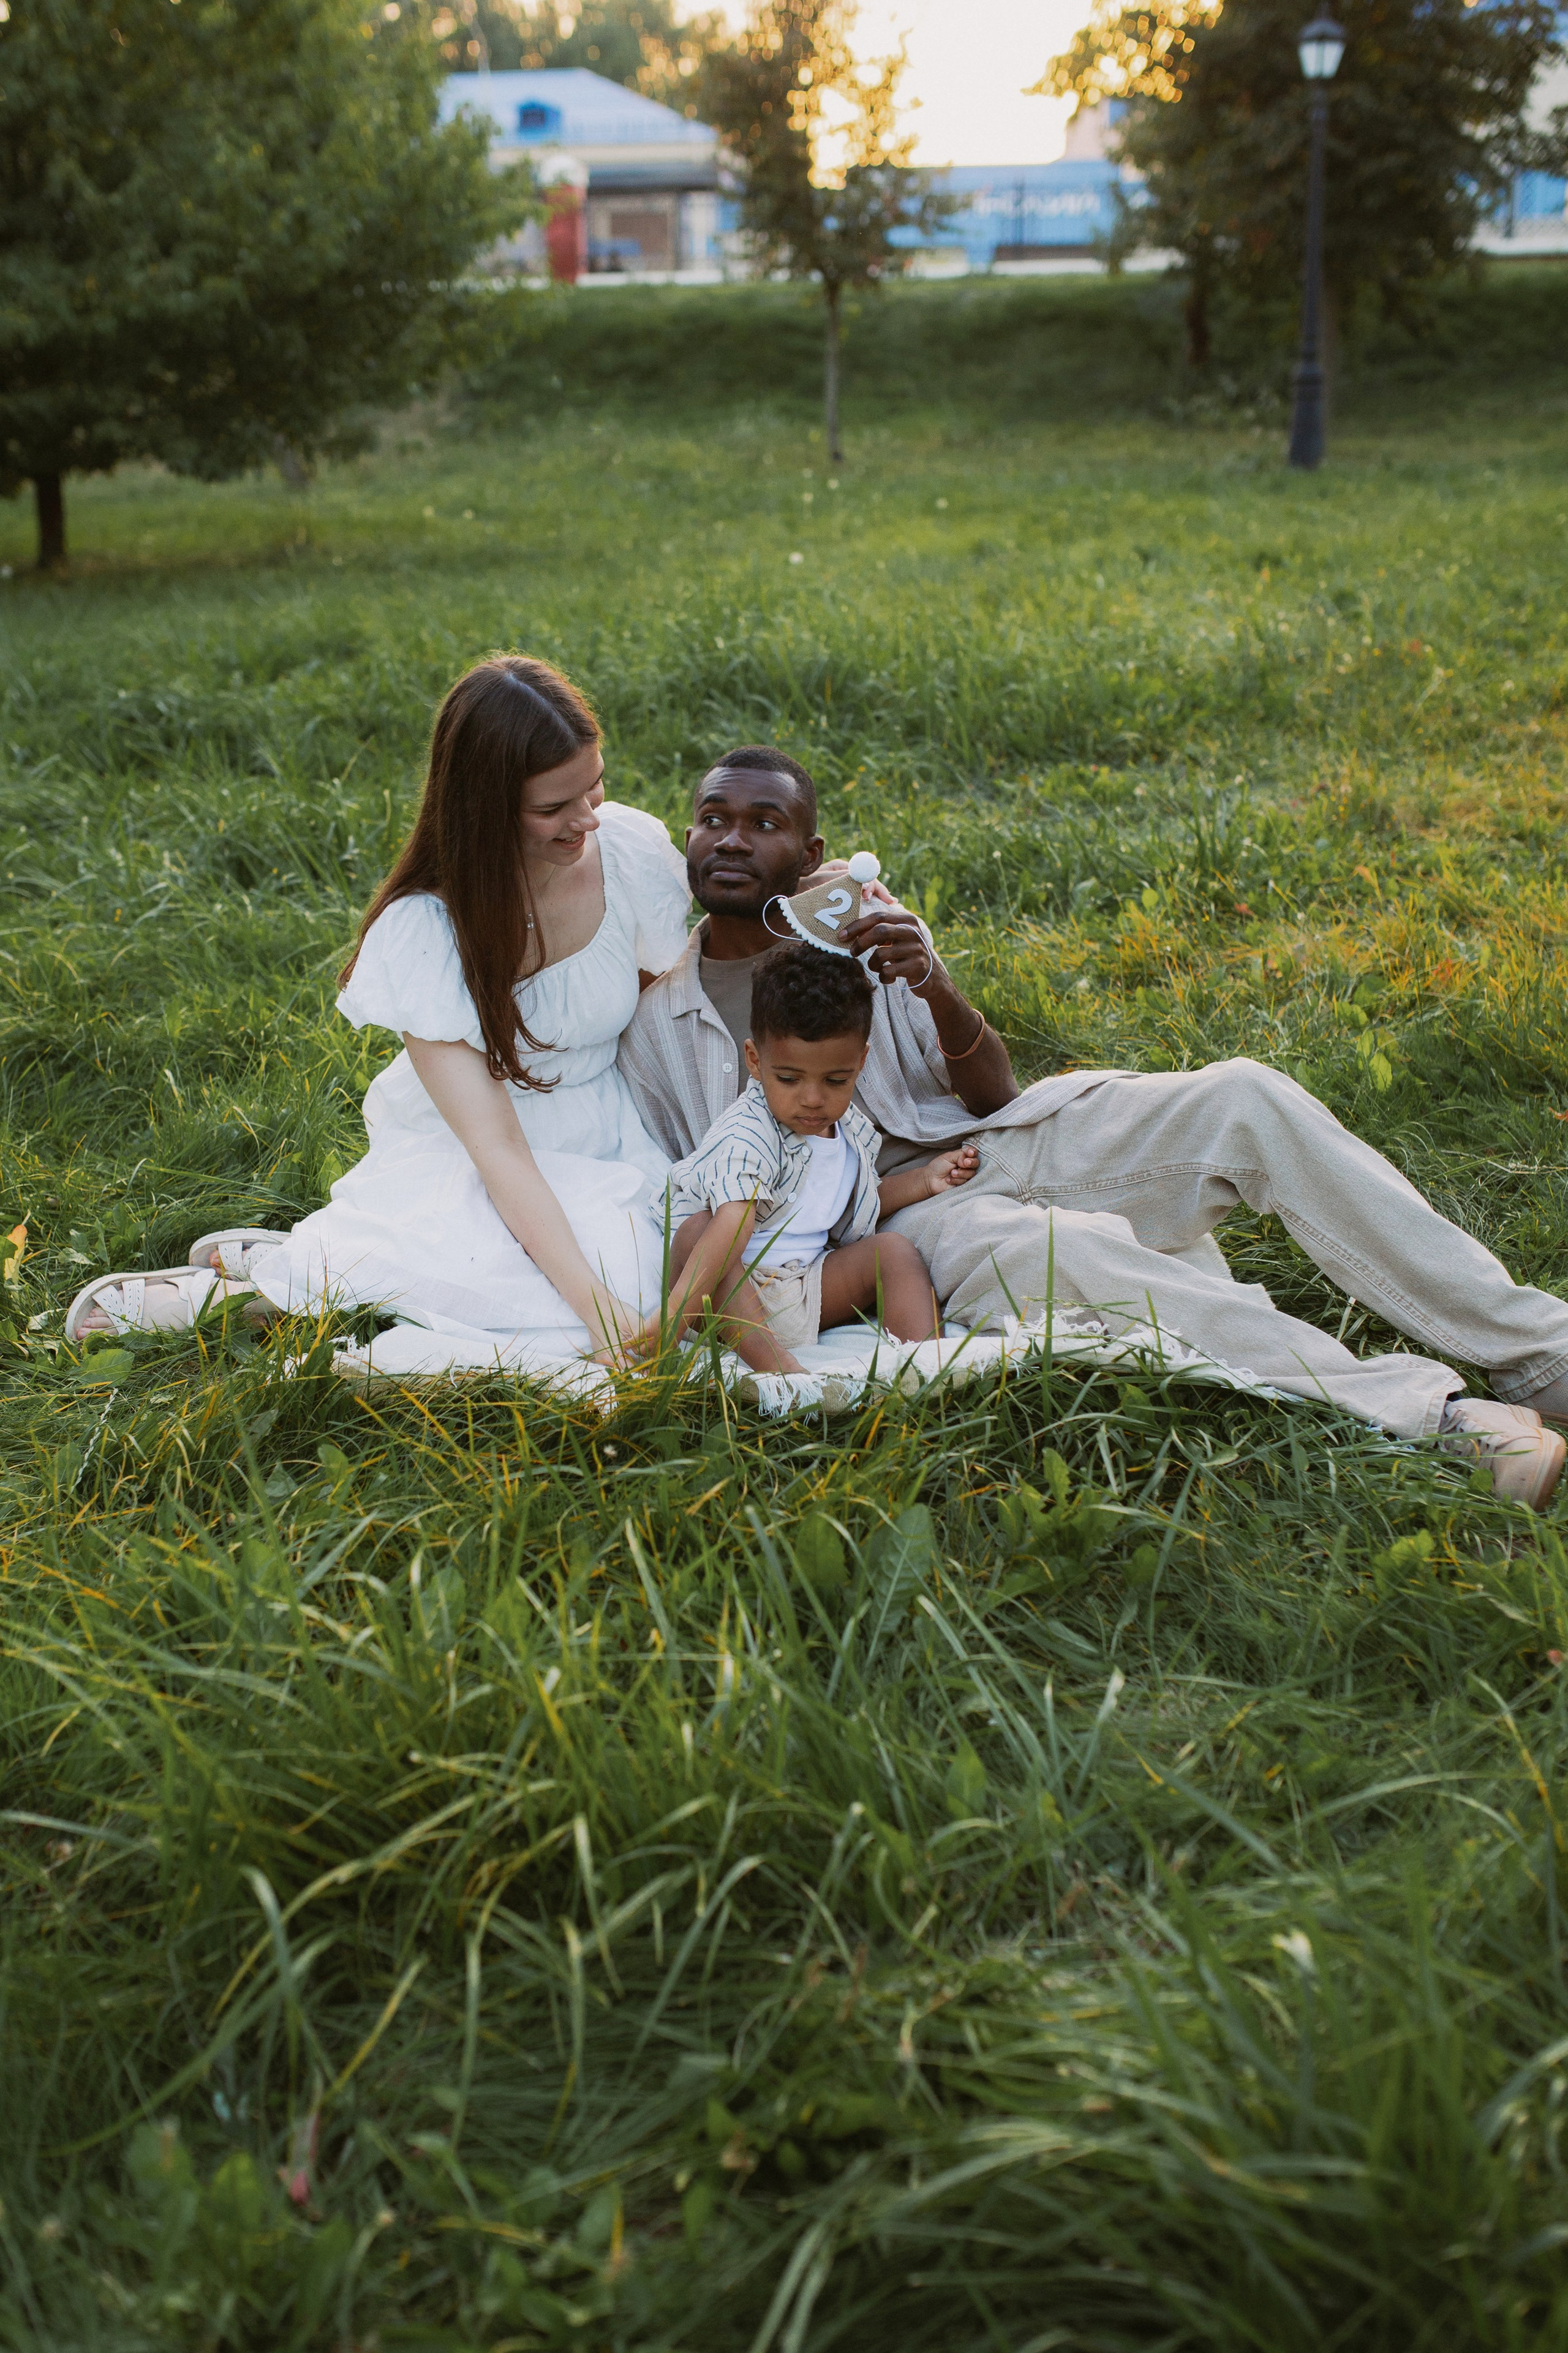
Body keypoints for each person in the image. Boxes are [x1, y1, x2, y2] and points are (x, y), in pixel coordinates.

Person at [618, 743, 1568, 1506]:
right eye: (713, 819)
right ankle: (1444, 1421)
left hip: (998, 1139)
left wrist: (933, 982)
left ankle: (1539, 1356)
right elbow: (703, 1198)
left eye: (763, 821)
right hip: (893, 1224)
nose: (731, 839)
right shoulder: (662, 1021)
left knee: (1245, 1093)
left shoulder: (861, 928)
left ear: (812, 850)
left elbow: (993, 1094)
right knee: (1056, 1254)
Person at [70, 656, 692, 1361]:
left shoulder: (628, 848)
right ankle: (250, 1294)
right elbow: (498, 1149)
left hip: (608, 1131)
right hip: (473, 1149)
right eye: (553, 808)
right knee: (564, 1300)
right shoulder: (427, 929)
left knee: (650, 1279)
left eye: (594, 786)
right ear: (483, 806)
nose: (586, 819)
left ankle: (354, 1256)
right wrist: (597, 1311)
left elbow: (669, 1003)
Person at [662, 942, 978, 1374]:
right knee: (697, 1230)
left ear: (860, 1062)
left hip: (805, 1286)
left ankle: (924, 1367)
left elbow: (849, 1203)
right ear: (755, 1060)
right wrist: (674, 1314)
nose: (812, 1099)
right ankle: (782, 1372)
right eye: (789, 1079)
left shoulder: (849, 1131)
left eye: (835, 1079)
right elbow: (733, 1227)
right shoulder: (749, 1133)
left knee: (894, 1251)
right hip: (722, 1292)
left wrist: (924, 1180)